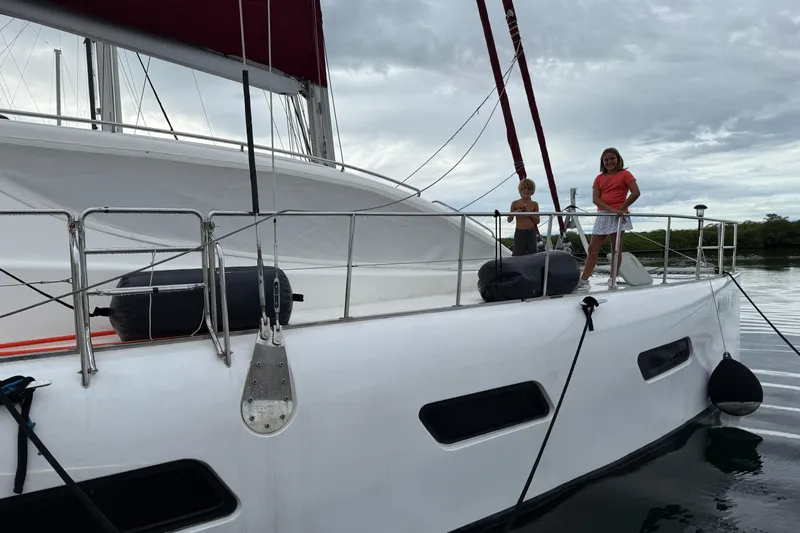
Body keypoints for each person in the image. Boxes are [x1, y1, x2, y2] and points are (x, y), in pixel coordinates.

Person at [577, 148, 641, 288]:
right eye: (606, 160)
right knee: (593, 247)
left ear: (618, 159)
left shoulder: (625, 174)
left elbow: (636, 192)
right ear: (602, 162)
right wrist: (610, 209)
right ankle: (584, 280)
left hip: (619, 214)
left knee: (616, 248)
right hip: (604, 213)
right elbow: (595, 199)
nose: (609, 162)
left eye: (612, 158)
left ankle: (612, 279)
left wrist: (622, 207)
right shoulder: (599, 178)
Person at [507, 178, 540, 256]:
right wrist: (515, 212)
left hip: (531, 232)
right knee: (517, 254)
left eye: (529, 188)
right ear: (520, 190)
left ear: (532, 191)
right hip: (519, 232)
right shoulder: (515, 203)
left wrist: (529, 212)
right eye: (524, 188)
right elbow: (509, 219)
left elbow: (537, 221)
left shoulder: (535, 204)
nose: (526, 191)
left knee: (533, 254)